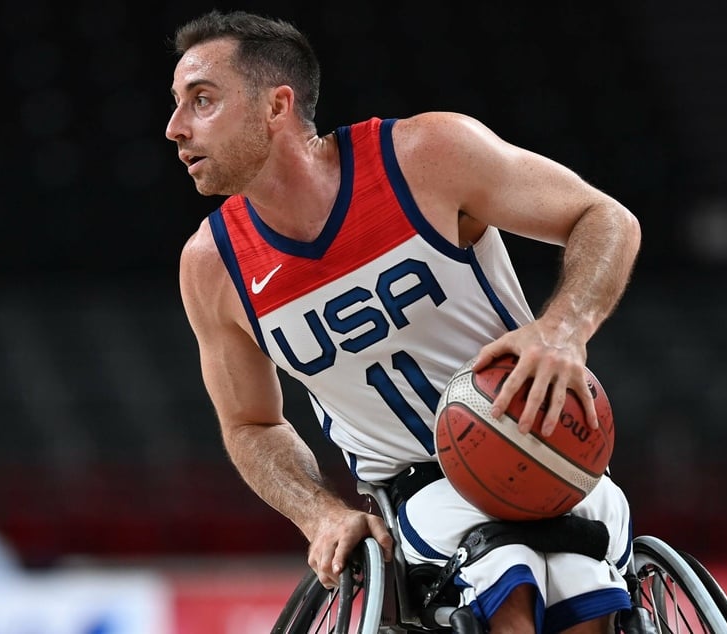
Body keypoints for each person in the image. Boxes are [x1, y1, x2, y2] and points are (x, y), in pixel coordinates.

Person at [166, 9, 641, 634]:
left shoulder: (424, 157)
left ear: (276, 106)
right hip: (416, 491)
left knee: (585, 597)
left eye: (202, 100)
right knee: (506, 594)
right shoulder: (214, 266)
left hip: (545, 443)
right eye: (177, 104)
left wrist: (564, 328)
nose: (175, 128)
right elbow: (249, 423)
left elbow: (605, 218)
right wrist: (319, 514)